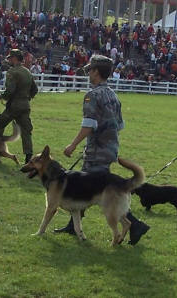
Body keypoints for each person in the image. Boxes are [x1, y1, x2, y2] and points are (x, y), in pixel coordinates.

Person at [55, 55, 150, 244]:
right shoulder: (113, 95)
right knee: (90, 188)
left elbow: (89, 124)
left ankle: (135, 224)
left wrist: (73, 145)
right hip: (110, 148)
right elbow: (119, 125)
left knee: (96, 191)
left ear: (96, 72)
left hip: (96, 151)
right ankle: (73, 226)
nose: (89, 73)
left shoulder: (93, 95)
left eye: (90, 70)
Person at [0, 49, 37, 163]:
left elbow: (10, 91)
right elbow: (35, 89)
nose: (9, 60)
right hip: (25, 105)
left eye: (10, 58)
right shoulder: (27, 71)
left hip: (14, 106)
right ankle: (28, 157)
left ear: (14, 58)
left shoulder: (12, 72)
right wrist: (27, 97)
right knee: (26, 131)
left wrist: (0, 96)